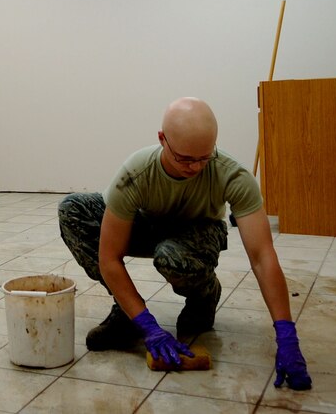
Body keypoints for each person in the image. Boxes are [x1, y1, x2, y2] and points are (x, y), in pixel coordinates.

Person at [58, 97, 312, 391]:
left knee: (171, 258)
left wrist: (286, 334)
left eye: (204, 157)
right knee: (73, 209)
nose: (195, 167)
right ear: (162, 140)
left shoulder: (232, 174)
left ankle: (203, 296)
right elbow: (109, 257)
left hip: (198, 231)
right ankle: (127, 314)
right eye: (185, 159)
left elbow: (262, 257)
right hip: (148, 224)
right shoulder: (135, 173)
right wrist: (148, 326)